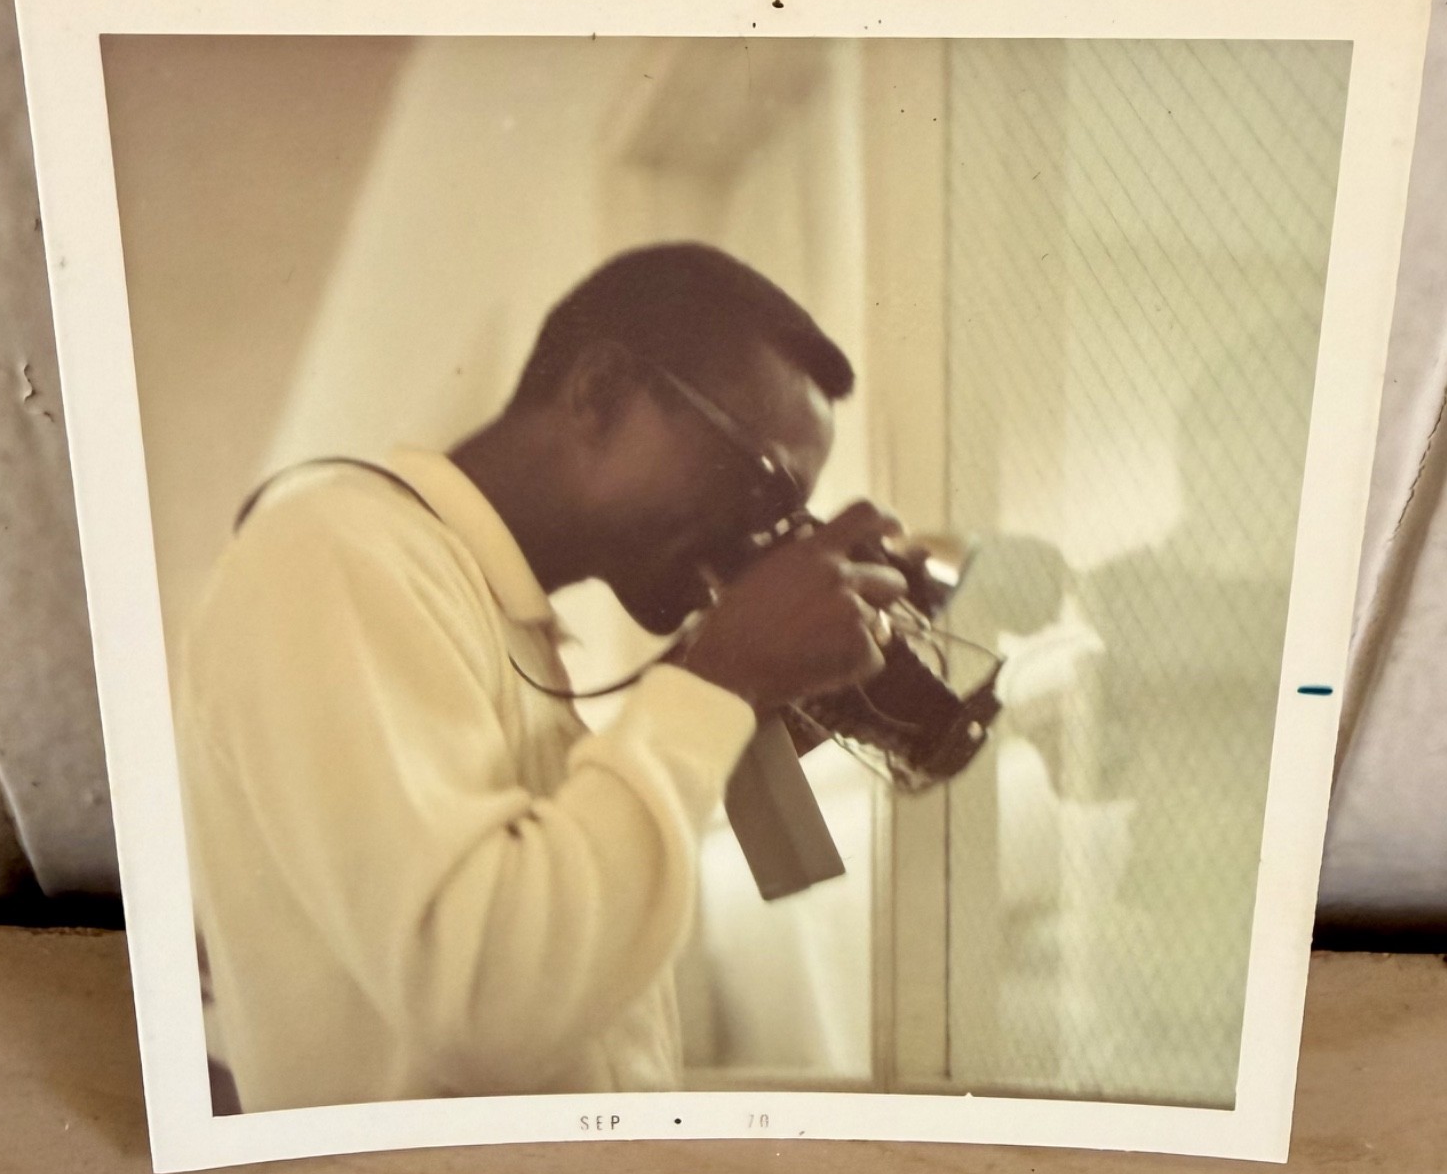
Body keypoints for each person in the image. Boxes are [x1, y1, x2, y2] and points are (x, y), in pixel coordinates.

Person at [176, 242, 908, 1112]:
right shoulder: (337, 554)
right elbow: (488, 1002)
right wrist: (718, 684)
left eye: (790, 517)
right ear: (598, 394)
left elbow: (553, 945)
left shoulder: (488, 613)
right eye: (764, 485)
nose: (763, 540)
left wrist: (727, 714)